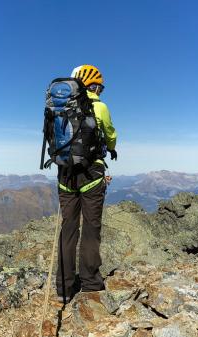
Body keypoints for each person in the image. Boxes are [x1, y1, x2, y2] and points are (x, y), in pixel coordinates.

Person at [55, 64, 118, 302]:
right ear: (93, 85)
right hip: (91, 174)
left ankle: (63, 288)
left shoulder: (60, 106)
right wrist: (110, 149)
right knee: (91, 228)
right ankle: (90, 282)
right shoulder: (99, 107)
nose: (100, 91)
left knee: (68, 229)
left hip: (65, 175)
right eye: (99, 87)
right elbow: (110, 135)